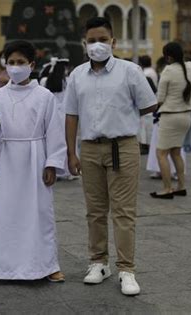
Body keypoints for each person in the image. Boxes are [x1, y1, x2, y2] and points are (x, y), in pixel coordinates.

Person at [64, 17, 157, 295]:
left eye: (103, 39)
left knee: (123, 211)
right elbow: (71, 115)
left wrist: (122, 117)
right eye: (92, 40)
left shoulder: (130, 71)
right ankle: (98, 262)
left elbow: (149, 104)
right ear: (85, 43)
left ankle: (126, 269)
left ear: (113, 42)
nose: (97, 45)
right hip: (90, 148)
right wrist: (71, 152)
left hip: (123, 147)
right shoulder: (77, 75)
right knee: (94, 211)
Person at [0, 40, 66, 282]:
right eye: (11, 62)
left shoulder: (45, 96)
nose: (16, 67)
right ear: (5, 65)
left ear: (32, 64)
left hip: (35, 159)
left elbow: (54, 131)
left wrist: (51, 163)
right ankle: (5, 266)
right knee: (7, 214)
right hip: (6, 160)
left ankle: (47, 265)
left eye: (21, 62)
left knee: (39, 213)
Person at [150, 42, 191, 199]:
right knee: (176, 152)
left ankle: (167, 188)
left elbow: (160, 98)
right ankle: (181, 186)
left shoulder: (168, 70)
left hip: (171, 116)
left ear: (168, 57)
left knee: (161, 153)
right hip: (186, 116)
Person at [39, 57, 76, 181]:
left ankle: (53, 166)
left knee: (52, 142)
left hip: (50, 114)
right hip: (64, 115)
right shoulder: (67, 81)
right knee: (67, 142)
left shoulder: (45, 81)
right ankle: (66, 169)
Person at [137, 55, 157, 154]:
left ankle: (146, 146)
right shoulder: (153, 71)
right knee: (149, 127)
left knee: (144, 128)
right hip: (153, 100)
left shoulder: (145, 73)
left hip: (147, 101)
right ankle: (149, 146)